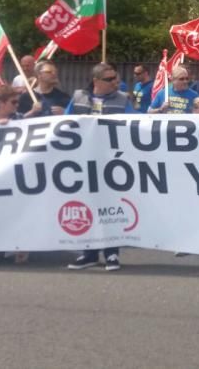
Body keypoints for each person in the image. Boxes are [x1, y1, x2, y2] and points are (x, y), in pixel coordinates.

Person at [65, 63, 134, 271]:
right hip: (83, 162)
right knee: (87, 205)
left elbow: (137, 124)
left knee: (111, 207)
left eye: (116, 77)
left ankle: (112, 253)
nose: (116, 82)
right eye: (110, 79)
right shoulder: (78, 97)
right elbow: (64, 124)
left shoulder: (123, 100)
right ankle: (89, 253)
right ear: (96, 81)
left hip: (111, 162)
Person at [0, 85, 30, 264]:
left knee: (17, 211)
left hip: (15, 173)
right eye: (13, 102)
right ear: (1, 103)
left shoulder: (22, 120)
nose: (17, 105)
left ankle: (22, 245)